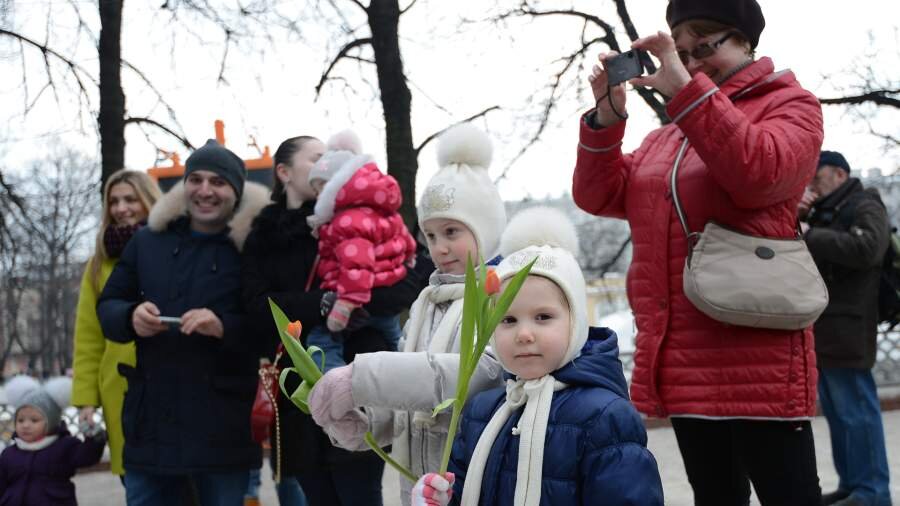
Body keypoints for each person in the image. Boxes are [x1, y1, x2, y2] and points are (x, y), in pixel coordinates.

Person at [573, 0, 825, 504]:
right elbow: (599, 196)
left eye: (703, 47)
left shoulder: (792, 105)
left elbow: (759, 174)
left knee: (790, 495)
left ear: (746, 41)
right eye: (680, 53)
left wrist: (687, 92)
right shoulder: (667, 137)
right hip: (685, 358)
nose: (691, 65)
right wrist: (607, 117)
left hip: (758, 357)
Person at [307, 123, 508, 506]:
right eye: (430, 236)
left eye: (452, 232)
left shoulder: (499, 293)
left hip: (471, 478)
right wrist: (367, 424)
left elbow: (481, 373)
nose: (440, 247)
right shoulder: (425, 300)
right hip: (420, 487)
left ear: (484, 229)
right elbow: (410, 396)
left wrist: (363, 378)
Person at [412, 207, 665, 506]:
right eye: (508, 320)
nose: (524, 334)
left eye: (543, 316)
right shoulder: (481, 409)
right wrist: (437, 498)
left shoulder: (605, 416)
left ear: (576, 323)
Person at [241, 134, 427, 506]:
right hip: (299, 391)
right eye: (318, 157)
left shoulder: (357, 213)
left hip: (358, 383)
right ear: (285, 172)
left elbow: (415, 269)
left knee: (361, 490)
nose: (331, 162)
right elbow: (255, 307)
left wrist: (361, 305)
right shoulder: (264, 235)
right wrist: (322, 304)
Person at [97, 139, 269, 505]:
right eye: (196, 179)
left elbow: (272, 328)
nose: (205, 190)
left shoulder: (253, 247)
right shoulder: (147, 241)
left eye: (218, 182)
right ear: (184, 185)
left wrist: (223, 326)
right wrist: (130, 317)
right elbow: (108, 304)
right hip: (152, 426)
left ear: (235, 192)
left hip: (222, 430)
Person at [800, 151, 892, 506]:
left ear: (839, 173)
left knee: (858, 412)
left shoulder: (864, 203)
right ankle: (853, 484)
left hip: (851, 326)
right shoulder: (825, 211)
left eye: (816, 176)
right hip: (825, 325)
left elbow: (868, 248)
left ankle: (873, 491)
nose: (811, 183)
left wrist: (812, 233)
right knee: (839, 415)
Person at [71, 169, 161, 480]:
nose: (121, 208)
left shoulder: (172, 248)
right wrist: (86, 399)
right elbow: (88, 336)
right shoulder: (97, 265)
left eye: (130, 199)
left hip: (170, 379)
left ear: (149, 200)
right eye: (114, 201)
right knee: (136, 483)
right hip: (119, 387)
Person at [305, 129, 417, 371]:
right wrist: (406, 261)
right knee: (396, 344)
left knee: (320, 343)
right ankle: (406, 382)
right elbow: (405, 241)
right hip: (387, 299)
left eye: (319, 190)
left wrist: (344, 305)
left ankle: (334, 388)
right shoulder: (381, 210)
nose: (316, 198)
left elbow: (357, 266)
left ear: (336, 185)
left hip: (355, 299)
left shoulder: (347, 220)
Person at [1, 375, 106, 505]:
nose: (25, 425)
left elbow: (86, 457)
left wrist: (94, 440)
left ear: (51, 422)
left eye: (34, 420)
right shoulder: (9, 454)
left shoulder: (63, 446)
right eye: (20, 420)